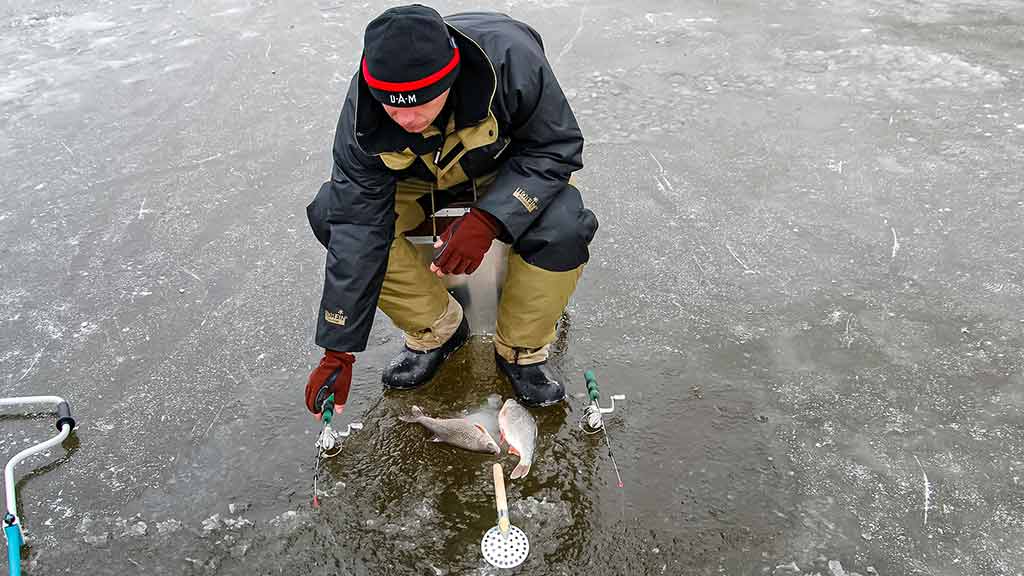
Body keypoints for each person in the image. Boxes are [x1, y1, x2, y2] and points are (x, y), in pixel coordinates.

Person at [304, 4, 598, 419]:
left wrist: (488, 219)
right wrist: (338, 349)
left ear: (451, 77)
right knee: (330, 212)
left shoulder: (513, 60)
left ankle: (522, 349)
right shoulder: (364, 108)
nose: (407, 119)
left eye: (421, 103)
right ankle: (436, 329)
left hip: (505, 168)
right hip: (415, 178)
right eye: (392, 107)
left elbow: (555, 148)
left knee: (564, 226)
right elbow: (356, 220)